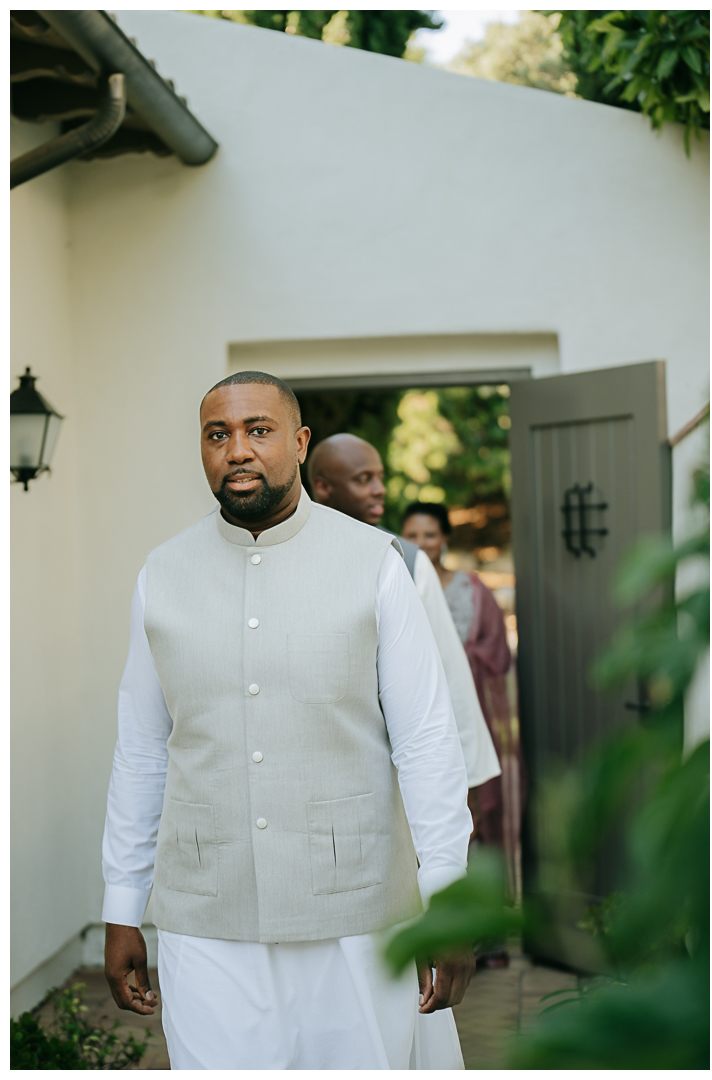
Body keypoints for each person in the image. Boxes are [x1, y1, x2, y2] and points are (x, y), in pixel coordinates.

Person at [102, 371, 477, 1070]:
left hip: (356, 914)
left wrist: (449, 902)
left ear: (299, 444)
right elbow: (143, 751)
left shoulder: (376, 566)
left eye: (258, 430)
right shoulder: (162, 575)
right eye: (219, 435)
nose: (237, 449)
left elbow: (426, 742)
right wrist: (122, 903)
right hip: (205, 914)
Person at [307, 433, 500, 794]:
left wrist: (465, 781)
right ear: (322, 487)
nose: (379, 489)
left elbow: (448, 672)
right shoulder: (290, 560)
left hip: (392, 773)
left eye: (380, 477)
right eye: (364, 479)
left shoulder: (408, 561)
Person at [401, 502, 525, 917]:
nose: (422, 544)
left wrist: (461, 658)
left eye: (430, 535)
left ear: (445, 538)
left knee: (477, 810)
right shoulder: (396, 578)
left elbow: (497, 650)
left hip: (468, 708)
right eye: (413, 536)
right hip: (416, 710)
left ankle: (485, 930)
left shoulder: (471, 588)